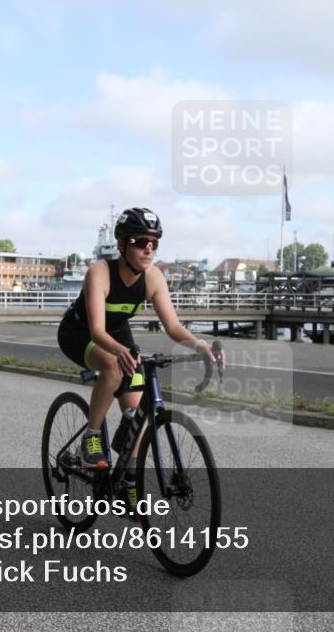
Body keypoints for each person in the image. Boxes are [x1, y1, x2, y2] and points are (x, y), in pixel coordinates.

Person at [56, 208, 221, 503]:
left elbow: (172, 326)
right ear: (121, 244)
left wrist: (199, 345)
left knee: (138, 415)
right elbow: (96, 330)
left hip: (116, 333)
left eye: (154, 243)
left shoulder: (154, 278)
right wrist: (120, 352)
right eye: (140, 241)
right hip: (79, 333)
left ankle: (127, 479)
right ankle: (91, 436)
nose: (148, 248)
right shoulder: (100, 273)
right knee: (112, 366)